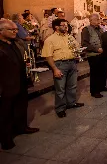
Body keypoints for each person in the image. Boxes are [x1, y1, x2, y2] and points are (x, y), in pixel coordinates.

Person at [0, 19, 39, 150]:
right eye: (12, 30)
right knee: (5, 113)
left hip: (21, 81)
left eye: (16, 29)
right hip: (6, 85)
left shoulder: (15, 43)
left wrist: (25, 64)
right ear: (1, 31)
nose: (16, 32)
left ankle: (22, 127)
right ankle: (6, 138)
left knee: (21, 106)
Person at [41, 18, 84, 118]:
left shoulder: (69, 37)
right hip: (60, 64)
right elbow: (48, 56)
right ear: (56, 27)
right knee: (60, 88)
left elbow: (76, 47)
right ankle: (60, 108)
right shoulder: (50, 39)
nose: (66, 27)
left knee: (72, 85)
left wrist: (77, 51)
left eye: (66, 25)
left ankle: (71, 103)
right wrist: (55, 69)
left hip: (72, 62)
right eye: (63, 25)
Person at [81, 14, 107, 98]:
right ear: (91, 20)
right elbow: (85, 43)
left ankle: (102, 86)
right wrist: (96, 49)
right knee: (95, 73)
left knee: (104, 71)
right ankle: (95, 91)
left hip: (102, 54)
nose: (99, 21)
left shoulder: (100, 29)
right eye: (97, 20)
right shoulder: (86, 30)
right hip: (93, 55)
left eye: (99, 19)